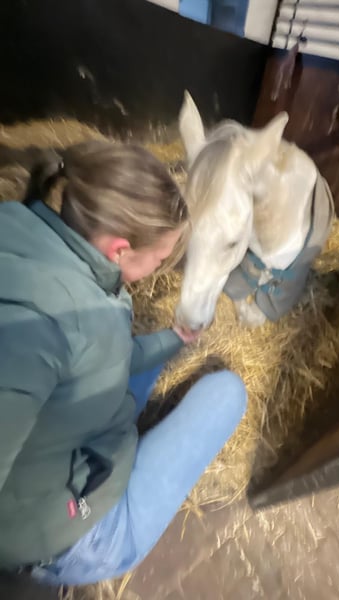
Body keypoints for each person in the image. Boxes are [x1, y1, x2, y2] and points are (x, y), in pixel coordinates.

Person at [0, 140, 247, 586]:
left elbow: (105, 356)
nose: (159, 267)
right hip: (62, 535)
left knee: (145, 366)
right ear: (119, 249)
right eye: (159, 259)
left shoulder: (18, 227)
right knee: (228, 393)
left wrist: (173, 340)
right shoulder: (49, 328)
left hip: (60, 443)